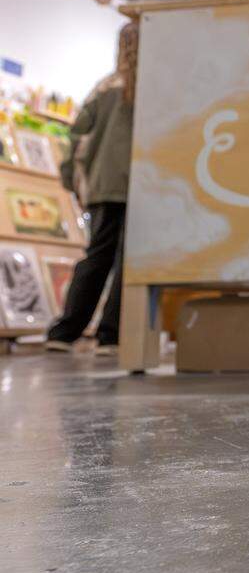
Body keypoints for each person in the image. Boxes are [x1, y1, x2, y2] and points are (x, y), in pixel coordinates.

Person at [45, 21, 138, 356]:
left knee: (96, 255)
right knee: (129, 261)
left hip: (103, 186)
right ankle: (110, 336)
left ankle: (64, 331)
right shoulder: (152, 88)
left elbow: (76, 137)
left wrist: (71, 178)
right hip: (141, 187)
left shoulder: (104, 88)